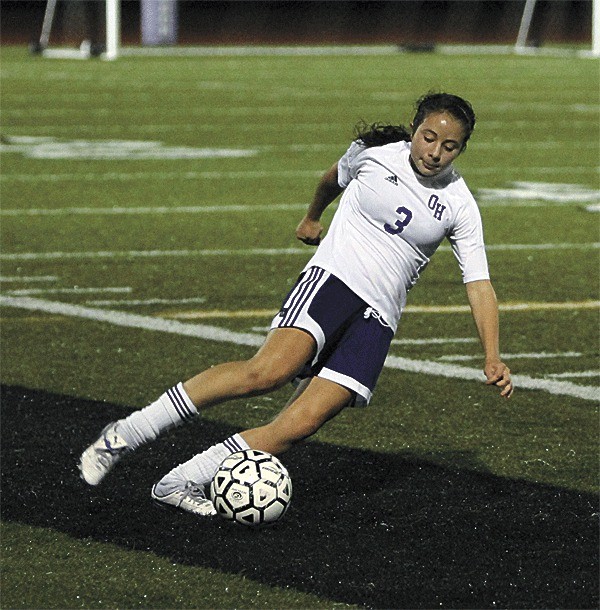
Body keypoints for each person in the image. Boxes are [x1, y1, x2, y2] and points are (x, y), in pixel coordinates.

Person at [79, 92, 514, 516]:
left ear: (462, 149)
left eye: (449, 145)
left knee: (300, 425)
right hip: (333, 283)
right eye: (428, 137)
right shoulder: (375, 153)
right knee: (267, 372)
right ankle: (125, 435)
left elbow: (478, 283)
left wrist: (492, 355)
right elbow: (331, 179)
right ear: (415, 129)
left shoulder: (460, 204)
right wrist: (313, 217)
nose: (435, 152)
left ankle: (181, 480)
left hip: (377, 320)